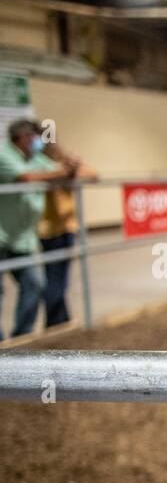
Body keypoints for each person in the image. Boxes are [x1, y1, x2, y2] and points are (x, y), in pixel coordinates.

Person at [0, 119, 79, 339]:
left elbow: (56, 171)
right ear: (23, 137)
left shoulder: (34, 158)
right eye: (34, 136)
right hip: (1, 237)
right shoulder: (4, 154)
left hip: (21, 240)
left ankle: (21, 338)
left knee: (34, 285)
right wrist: (61, 171)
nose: (38, 141)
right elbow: (25, 177)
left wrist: (70, 168)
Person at [38, 141, 96, 329]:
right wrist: (65, 169)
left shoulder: (60, 170)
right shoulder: (42, 170)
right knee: (55, 280)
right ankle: (54, 322)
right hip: (51, 231)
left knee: (59, 279)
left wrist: (72, 168)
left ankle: (60, 319)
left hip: (66, 229)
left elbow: (93, 174)